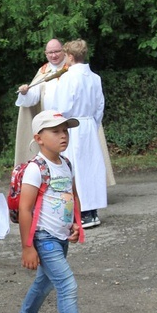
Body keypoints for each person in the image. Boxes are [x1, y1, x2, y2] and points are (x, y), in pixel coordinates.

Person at [11, 109, 108, 313]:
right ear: (39, 138)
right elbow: (25, 208)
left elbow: (72, 195)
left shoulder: (65, 164)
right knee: (66, 285)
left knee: (44, 283)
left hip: (61, 237)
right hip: (43, 238)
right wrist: (27, 247)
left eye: (65, 130)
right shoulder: (36, 168)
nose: (63, 135)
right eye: (55, 131)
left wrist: (77, 224)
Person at [15, 39, 116, 187]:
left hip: (69, 122)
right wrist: (25, 93)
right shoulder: (44, 72)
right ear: (45, 54)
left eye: (57, 51)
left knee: (78, 161)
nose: (54, 55)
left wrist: (63, 118)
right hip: (51, 123)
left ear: (65, 53)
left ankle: (82, 193)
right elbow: (33, 98)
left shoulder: (72, 72)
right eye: (50, 52)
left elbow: (90, 104)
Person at [49, 39, 107, 228]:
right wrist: (93, 124)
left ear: (70, 56)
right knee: (91, 167)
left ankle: (81, 211)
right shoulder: (94, 78)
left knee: (76, 168)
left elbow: (64, 106)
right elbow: (100, 106)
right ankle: (92, 211)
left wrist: (59, 123)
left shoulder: (68, 77)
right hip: (89, 124)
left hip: (73, 124)